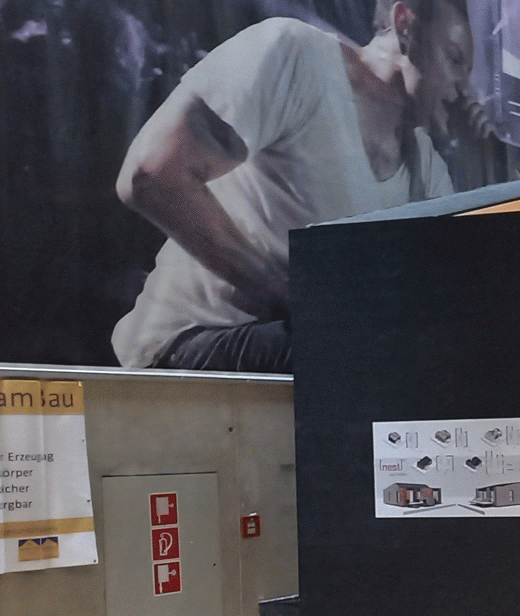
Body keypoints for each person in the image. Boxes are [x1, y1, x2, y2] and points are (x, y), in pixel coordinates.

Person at [113, 0, 470, 372]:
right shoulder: (296, 57)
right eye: (455, 58)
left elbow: (445, 298)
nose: (464, 86)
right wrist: (277, 290)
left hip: (314, 356)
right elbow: (151, 175)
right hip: (188, 347)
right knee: (372, 351)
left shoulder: (426, 168)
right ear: (405, 24)